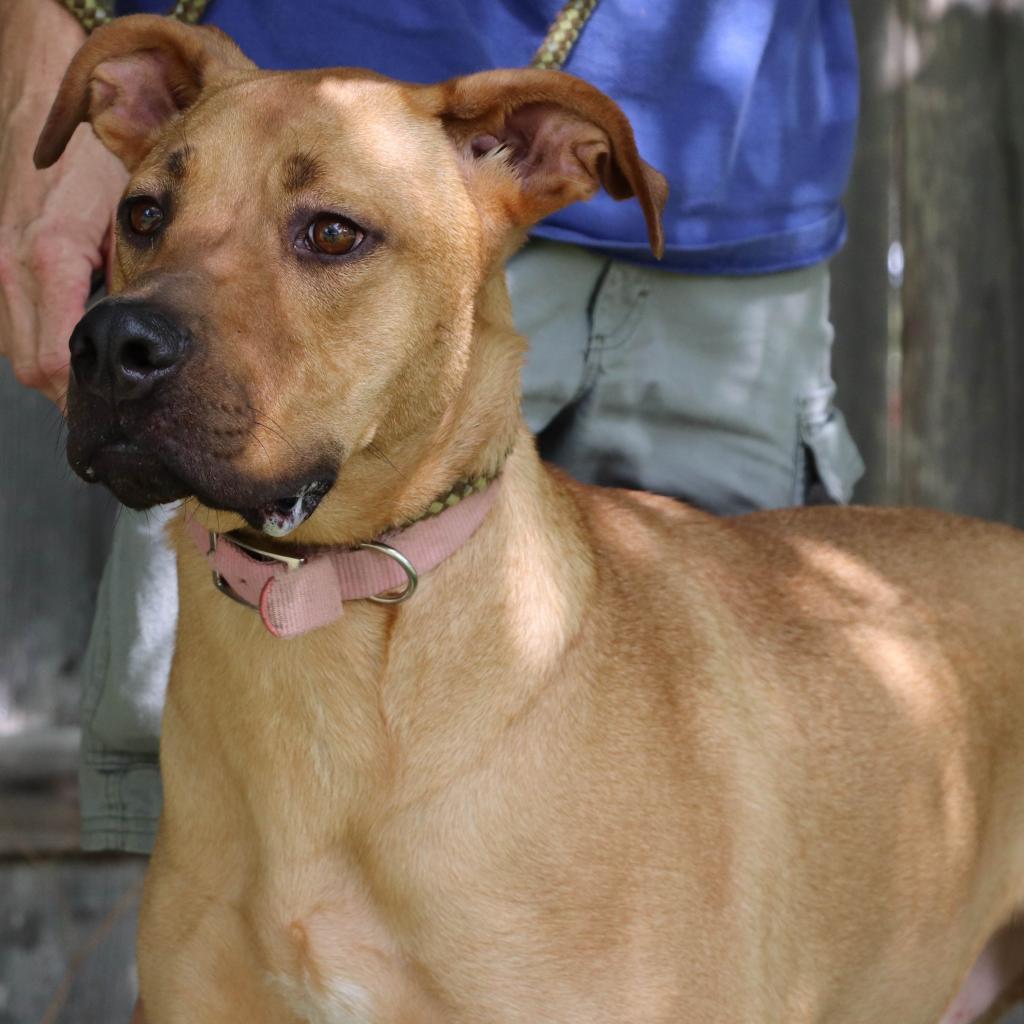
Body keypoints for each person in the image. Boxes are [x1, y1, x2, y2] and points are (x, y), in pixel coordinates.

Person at [0, 0, 863, 854]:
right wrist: (56, 28)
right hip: (295, 64)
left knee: (694, 867)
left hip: (741, 187)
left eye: (326, 234)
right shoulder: (216, 125)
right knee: (226, 881)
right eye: (151, 218)